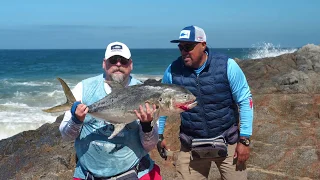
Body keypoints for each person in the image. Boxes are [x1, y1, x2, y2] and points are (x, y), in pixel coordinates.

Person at [157, 26, 254, 180]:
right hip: (191, 143)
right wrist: (159, 135)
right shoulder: (172, 71)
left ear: (203, 45)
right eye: (180, 47)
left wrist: (244, 140)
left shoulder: (227, 66)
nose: (184, 52)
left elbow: (245, 101)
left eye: (188, 47)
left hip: (228, 142)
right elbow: (161, 105)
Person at [59, 41, 162, 180]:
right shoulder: (84, 89)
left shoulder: (144, 92)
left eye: (123, 61)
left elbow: (149, 146)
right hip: (88, 175)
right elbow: (66, 136)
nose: (118, 64)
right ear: (104, 63)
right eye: (113, 60)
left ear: (130, 65)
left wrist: (147, 126)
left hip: (134, 172)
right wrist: (76, 120)